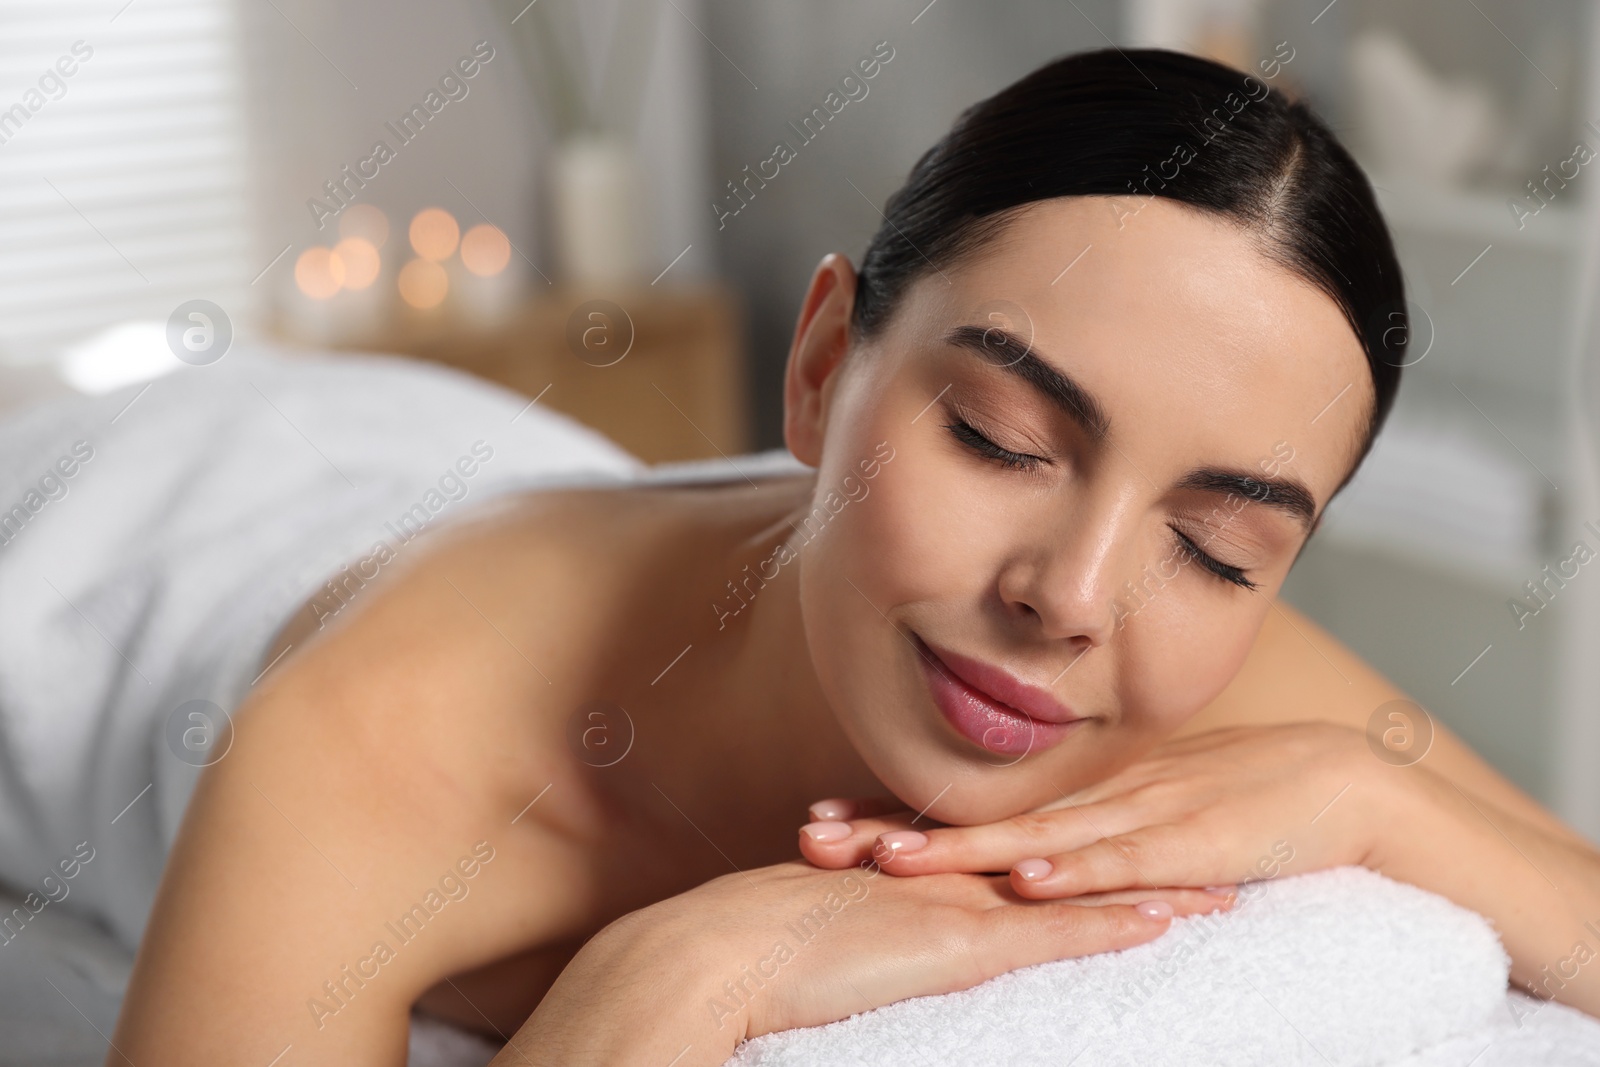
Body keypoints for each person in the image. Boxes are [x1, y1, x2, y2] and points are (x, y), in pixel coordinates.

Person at [101, 47, 1600, 1065]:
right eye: (1004, 440)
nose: (1071, 597)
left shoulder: (1164, 651)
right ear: (822, 364)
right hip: (160, 516)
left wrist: (1364, 788)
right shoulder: (361, 742)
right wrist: (665, 984)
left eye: (1216, 544)